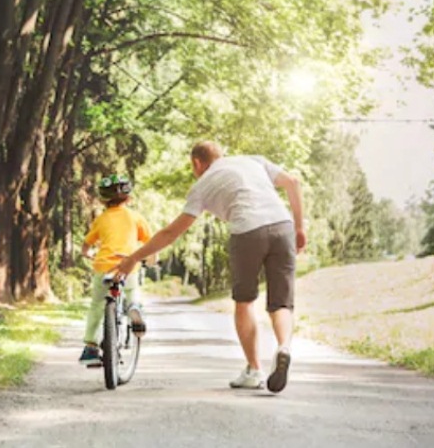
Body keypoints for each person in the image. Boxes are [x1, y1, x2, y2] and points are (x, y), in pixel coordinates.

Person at [114, 141, 306, 393]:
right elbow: (293, 183)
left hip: (247, 231)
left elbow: (171, 233)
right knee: (281, 303)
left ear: (196, 163)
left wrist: (132, 258)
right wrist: (300, 227)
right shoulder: (253, 160)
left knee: (244, 301)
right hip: (282, 225)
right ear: (222, 154)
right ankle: (283, 347)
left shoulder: (202, 185)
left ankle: (254, 369)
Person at [78, 174, 152, 366]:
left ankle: (91, 347)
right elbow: (149, 242)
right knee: (131, 290)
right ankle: (134, 306)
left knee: (97, 305)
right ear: (129, 198)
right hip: (128, 263)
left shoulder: (101, 219)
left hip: (103, 265)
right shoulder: (135, 217)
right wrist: (152, 260)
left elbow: (87, 244)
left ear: (103, 200)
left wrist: (87, 253)